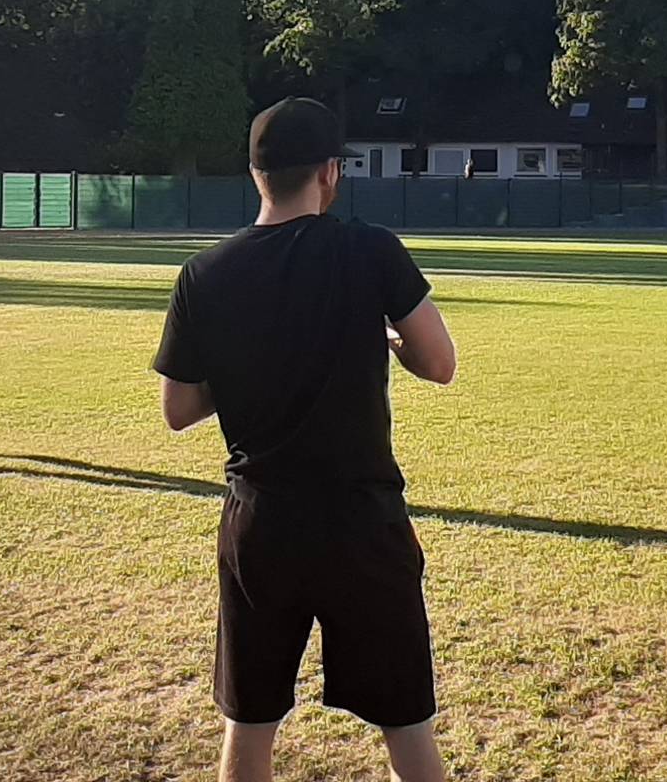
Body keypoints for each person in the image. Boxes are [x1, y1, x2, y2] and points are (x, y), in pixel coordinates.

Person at [154, 98, 460, 782]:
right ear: (331, 172)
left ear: (256, 173)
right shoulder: (370, 249)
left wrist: (244, 371)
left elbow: (177, 408)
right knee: (406, 724)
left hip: (262, 526)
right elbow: (439, 362)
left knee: (250, 723)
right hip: (363, 523)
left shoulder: (205, 273)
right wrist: (386, 344)